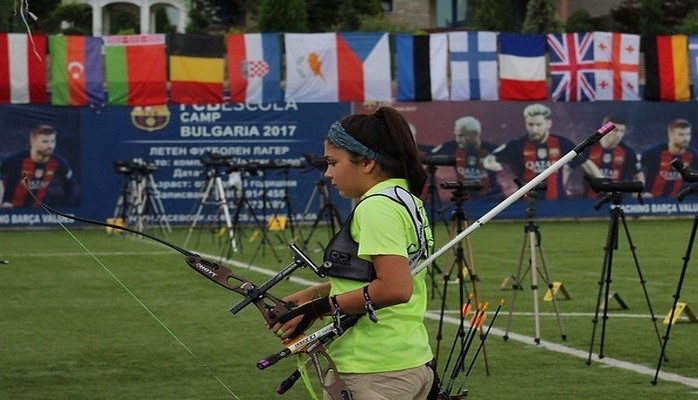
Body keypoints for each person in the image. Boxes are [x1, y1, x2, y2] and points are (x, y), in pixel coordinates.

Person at [271, 107, 435, 400]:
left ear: (368, 162)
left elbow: (395, 288)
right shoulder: (405, 199)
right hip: (407, 361)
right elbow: (376, 275)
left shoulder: (376, 207)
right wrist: (315, 293)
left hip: (372, 368)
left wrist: (317, 309)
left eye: (333, 163)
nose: (328, 173)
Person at [483, 103, 601, 200]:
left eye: (538, 124)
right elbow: (491, 158)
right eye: (530, 124)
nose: (534, 129)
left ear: (548, 124)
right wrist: (492, 163)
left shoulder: (563, 144)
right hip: (525, 203)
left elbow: (586, 163)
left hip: (558, 204)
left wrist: (604, 184)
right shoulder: (515, 145)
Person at [0, 124, 76, 208]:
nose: (50, 146)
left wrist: (68, 208)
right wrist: (2, 201)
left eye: (52, 141)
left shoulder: (59, 163)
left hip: (39, 214)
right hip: (11, 213)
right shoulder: (14, 159)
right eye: (45, 142)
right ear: (33, 142)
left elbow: (69, 185)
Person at [430, 116, 502, 201]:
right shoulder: (451, 147)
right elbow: (428, 157)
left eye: (462, 135)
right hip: (464, 199)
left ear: (476, 134)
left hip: (491, 200)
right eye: (456, 135)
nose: (458, 140)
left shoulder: (492, 150)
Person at [584, 114, 644, 198]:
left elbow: (638, 176)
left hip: (616, 200)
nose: (618, 135)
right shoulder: (588, 148)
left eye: (622, 131)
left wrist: (638, 196)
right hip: (588, 200)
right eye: (615, 130)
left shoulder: (628, 152)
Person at [640, 118, 697, 198]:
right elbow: (637, 174)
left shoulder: (693, 155)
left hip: (677, 204)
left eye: (688, 134)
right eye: (681, 135)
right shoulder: (652, 153)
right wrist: (643, 193)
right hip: (651, 201)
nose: (686, 139)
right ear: (670, 135)